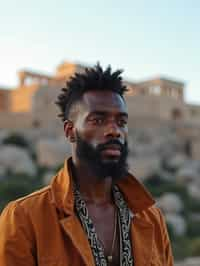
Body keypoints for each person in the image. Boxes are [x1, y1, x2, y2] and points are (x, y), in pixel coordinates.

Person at [0, 64, 174, 266]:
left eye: (121, 121)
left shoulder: (151, 218)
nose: (114, 131)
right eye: (98, 120)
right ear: (70, 131)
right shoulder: (24, 218)